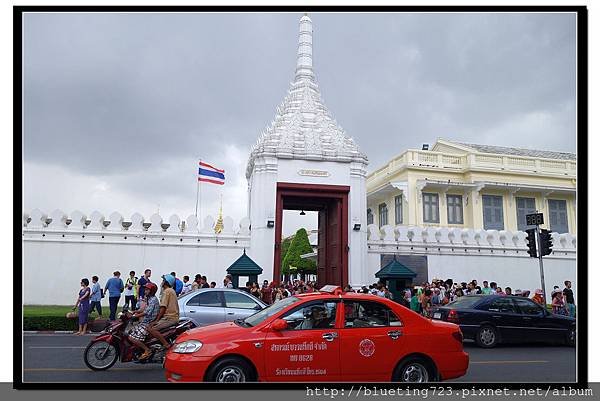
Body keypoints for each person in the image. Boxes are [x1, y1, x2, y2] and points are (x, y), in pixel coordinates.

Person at [146, 274, 180, 350]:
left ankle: (166, 344)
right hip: (172, 317)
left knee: (151, 328)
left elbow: (163, 307)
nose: (162, 282)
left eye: (163, 280)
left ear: (166, 282)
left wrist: (156, 320)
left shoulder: (167, 291)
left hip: (169, 318)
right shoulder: (171, 291)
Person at [127, 282, 160, 360]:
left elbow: (146, 312)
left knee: (132, 338)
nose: (145, 291)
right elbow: (143, 309)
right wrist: (134, 311)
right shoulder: (149, 298)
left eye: (147, 289)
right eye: (145, 289)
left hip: (148, 323)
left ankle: (147, 350)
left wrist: (134, 316)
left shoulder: (153, 300)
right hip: (144, 322)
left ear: (152, 291)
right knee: (130, 331)